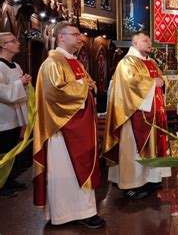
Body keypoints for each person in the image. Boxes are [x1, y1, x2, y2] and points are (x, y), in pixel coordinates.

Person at [33, 22, 105, 228]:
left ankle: (85, 210)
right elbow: (55, 93)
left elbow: (87, 84)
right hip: (63, 129)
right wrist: (84, 86)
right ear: (61, 37)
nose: (80, 38)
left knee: (81, 166)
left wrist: (88, 85)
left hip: (80, 126)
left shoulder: (75, 62)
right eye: (75, 34)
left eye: (79, 34)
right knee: (66, 169)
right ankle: (65, 213)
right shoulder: (52, 63)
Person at [104, 31, 171, 199]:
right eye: (145, 41)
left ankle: (150, 179)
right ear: (134, 44)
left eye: (149, 40)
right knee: (132, 149)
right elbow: (129, 85)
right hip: (133, 115)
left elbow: (161, 79)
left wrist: (162, 81)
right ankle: (131, 185)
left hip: (154, 113)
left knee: (154, 144)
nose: (150, 43)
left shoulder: (152, 62)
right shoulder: (127, 63)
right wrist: (152, 83)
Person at [0, 32, 30, 198]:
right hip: (3, 118)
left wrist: (25, 84)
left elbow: (20, 91)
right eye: (13, 41)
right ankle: (2, 185)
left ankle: (9, 180)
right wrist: (21, 83)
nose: (18, 43)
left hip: (15, 117)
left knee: (11, 151)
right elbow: (3, 92)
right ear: (3, 45)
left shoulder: (16, 66)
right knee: (3, 152)